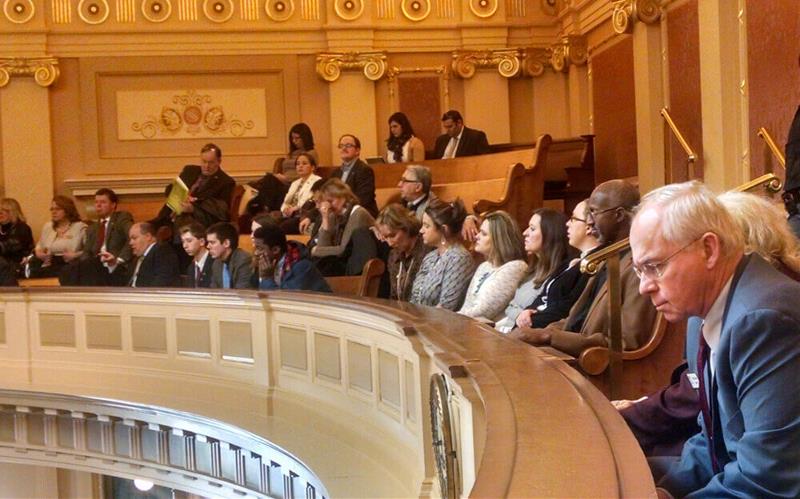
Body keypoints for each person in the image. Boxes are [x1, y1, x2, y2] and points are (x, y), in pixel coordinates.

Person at [629, 181, 800, 498]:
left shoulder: (763, 319)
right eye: (639, 271)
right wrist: (655, 486)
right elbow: (713, 444)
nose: (644, 287)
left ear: (708, 249)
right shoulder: (705, 313)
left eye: (654, 267)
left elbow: (768, 482)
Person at [509, 179, 656, 357]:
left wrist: (548, 336)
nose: (590, 223)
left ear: (618, 215)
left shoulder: (637, 265)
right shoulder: (605, 258)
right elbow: (578, 319)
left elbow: (625, 342)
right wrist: (544, 331)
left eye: (594, 213)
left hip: (596, 368)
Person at [512, 201, 599, 331]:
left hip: (545, 332)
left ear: (588, 227)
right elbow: (543, 296)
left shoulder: (592, 265)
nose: (567, 224)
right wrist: (528, 310)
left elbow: (566, 309)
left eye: (573, 219)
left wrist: (530, 320)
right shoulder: (572, 262)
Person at [495, 208, 576, 333]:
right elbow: (510, 306)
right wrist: (519, 314)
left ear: (550, 234)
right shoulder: (532, 269)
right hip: (508, 329)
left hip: (523, 335)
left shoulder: (558, 276)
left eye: (532, 229)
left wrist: (519, 314)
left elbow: (533, 314)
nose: (525, 233)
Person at [458, 211, 528, 322]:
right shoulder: (484, 266)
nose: (476, 236)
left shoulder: (515, 267)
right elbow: (467, 306)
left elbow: (483, 312)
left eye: (484, 234)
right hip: (468, 326)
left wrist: (449, 318)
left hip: (491, 333)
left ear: (499, 240)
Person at [410, 199, 475, 310]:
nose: (421, 230)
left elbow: (446, 306)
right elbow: (414, 297)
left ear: (444, 229)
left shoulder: (459, 259)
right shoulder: (430, 256)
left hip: (442, 324)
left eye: (426, 226)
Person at [152, 143, 235, 230]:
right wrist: (182, 196)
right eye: (204, 161)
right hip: (167, 216)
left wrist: (193, 209)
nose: (206, 166)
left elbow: (221, 212)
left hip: (194, 224)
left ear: (219, 162)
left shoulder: (226, 182)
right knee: (142, 229)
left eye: (211, 163)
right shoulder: (190, 171)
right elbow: (169, 189)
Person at [60, 188, 134, 286]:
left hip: (115, 266)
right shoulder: (92, 228)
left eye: (103, 202)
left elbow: (132, 236)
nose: (98, 205)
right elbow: (87, 251)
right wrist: (83, 265)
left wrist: (119, 260)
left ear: (113, 205)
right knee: (68, 270)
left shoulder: (121, 218)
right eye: (96, 202)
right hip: (96, 266)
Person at [246, 123, 320, 216]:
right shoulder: (292, 153)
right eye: (292, 138)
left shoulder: (311, 153)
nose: (294, 141)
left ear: (305, 138)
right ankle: (260, 206)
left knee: (269, 180)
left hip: (294, 184)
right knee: (268, 180)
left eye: (297, 138)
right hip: (282, 181)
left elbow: (307, 172)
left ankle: (263, 208)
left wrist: (286, 178)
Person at [311, 178, 377, 276]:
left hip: (357, 265)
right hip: (344, 262)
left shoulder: (358, 213)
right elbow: (324, 249)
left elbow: (343, 250)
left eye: (330, 201)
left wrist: (316, 250)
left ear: (343, 197)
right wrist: (325, 220)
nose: (329, 206)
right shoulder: (334, 215)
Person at [375, 204, 431, 301]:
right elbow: (394, 296)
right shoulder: (393, 255)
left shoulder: (428, 251)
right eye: (385, 237)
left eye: (392, 235)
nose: (389, 243)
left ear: (406, 227)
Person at [251, 224, 331, 292]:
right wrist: (256, 270)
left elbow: (284, 301)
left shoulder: (301, 266)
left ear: (275, 250)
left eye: (260, 248)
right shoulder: (271, 263)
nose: (256, 253)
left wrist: (266, 278)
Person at [26, 195, 87, 279]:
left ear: (67, 210)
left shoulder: (80, 227)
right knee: (32, 273)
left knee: (66, 273)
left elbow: (89, 251)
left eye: (57, 209)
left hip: (70, 264)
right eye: (52, 209)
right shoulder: (48, 227)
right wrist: (40, 254)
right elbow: (38, 247)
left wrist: (75, 255)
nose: (53, 212)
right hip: (49, 263)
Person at [330, 134, 378, 216]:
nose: (344, 148)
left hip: (360, 214)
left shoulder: (364, 170)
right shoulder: (335, 173)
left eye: (348, 145)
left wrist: (343, 210)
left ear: (357, 151)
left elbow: (363, 199)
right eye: (341, 146)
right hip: (339, 213)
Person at [278, 153, 322, 234]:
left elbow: (311, 200)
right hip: (289, 215)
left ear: (312, 167)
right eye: (298, 164)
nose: (300, 166)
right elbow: (286, 201)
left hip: (302, 214)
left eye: (304, 163)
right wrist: (285, 209)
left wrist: (295, 208)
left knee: (284, 226)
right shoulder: (295, 183)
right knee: (272, 223)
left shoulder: (317, 181)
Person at [127, 222, 181, 287]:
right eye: (130, 239)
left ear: (148, 236)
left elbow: (162, 283)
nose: (130, 243)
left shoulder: (163, 251)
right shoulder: (137, 258)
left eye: (134, 238)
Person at [207, 222, 253, 289]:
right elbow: (214, 292)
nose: (208, 246)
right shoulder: (216, 264)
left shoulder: (244, 260)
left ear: (226, 243)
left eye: (212, 242)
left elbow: (242, 291)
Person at [0, 198, 33, 270]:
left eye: (4, 210)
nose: (0, 212)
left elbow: (11, 246)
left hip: (17, 265)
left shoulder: (22, 228)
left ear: (13, 212)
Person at [180, 223, 212, 288]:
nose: (184, 246)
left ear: (202, 241)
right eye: (183, 241)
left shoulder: (215, 263)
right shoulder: (191, 267)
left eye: (189, 241)